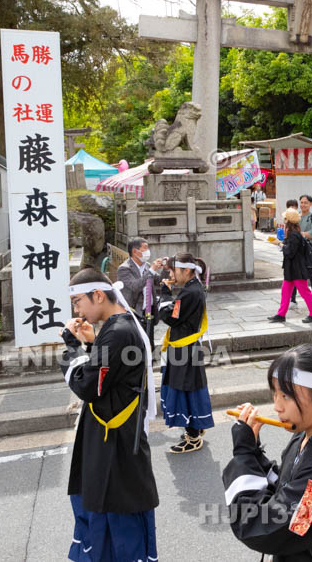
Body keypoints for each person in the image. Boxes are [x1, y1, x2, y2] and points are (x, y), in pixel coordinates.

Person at [223, 345, 312, 561]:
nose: (277, 406)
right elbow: (286, 486)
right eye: (275, 393)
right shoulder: (305, 436)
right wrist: (253, 451)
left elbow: (260, 525)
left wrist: (244, 455)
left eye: (286, 396)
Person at [61, 268, 158, 562]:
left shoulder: (116, 333)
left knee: (112, 515)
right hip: (119, 434)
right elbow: (110, 374)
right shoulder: (125, 325)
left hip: (112, 443)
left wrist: (71, 348)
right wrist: (92, 344)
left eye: (78, 302)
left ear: (99, 295)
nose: (76, 310)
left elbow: (88, 385)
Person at [157, 253, 214, 453]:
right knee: (189, 388)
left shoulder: (190, 292)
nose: (172, 274)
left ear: (187, 270)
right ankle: (195, 428)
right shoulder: (193, 288)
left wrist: (164, 294)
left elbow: (171, 317)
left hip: (184, 350)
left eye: (174, 270)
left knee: (185, 389)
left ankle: (193, 437)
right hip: (186, 347)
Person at [268, 209, 312, 324]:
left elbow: (290, 252)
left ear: (288, 220)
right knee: (285, 291)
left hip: (297, 269)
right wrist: (281, 243)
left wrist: (279, 243)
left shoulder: (294, 234)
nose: (283, 220)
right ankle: (281, 314)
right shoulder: (293, 233)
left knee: (304, 292)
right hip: (292, 268)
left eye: (285, 218)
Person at [117, 237, 166, 340]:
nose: (148, 251)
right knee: (138, 343)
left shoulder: (147, 266)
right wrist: (152, 270)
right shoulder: (124, 268)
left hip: (150, 310)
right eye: (145, 248)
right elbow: (135, 286)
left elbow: (159, 280)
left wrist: (165, 269)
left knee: (150, 342)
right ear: (135, 251)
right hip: (135, 312)